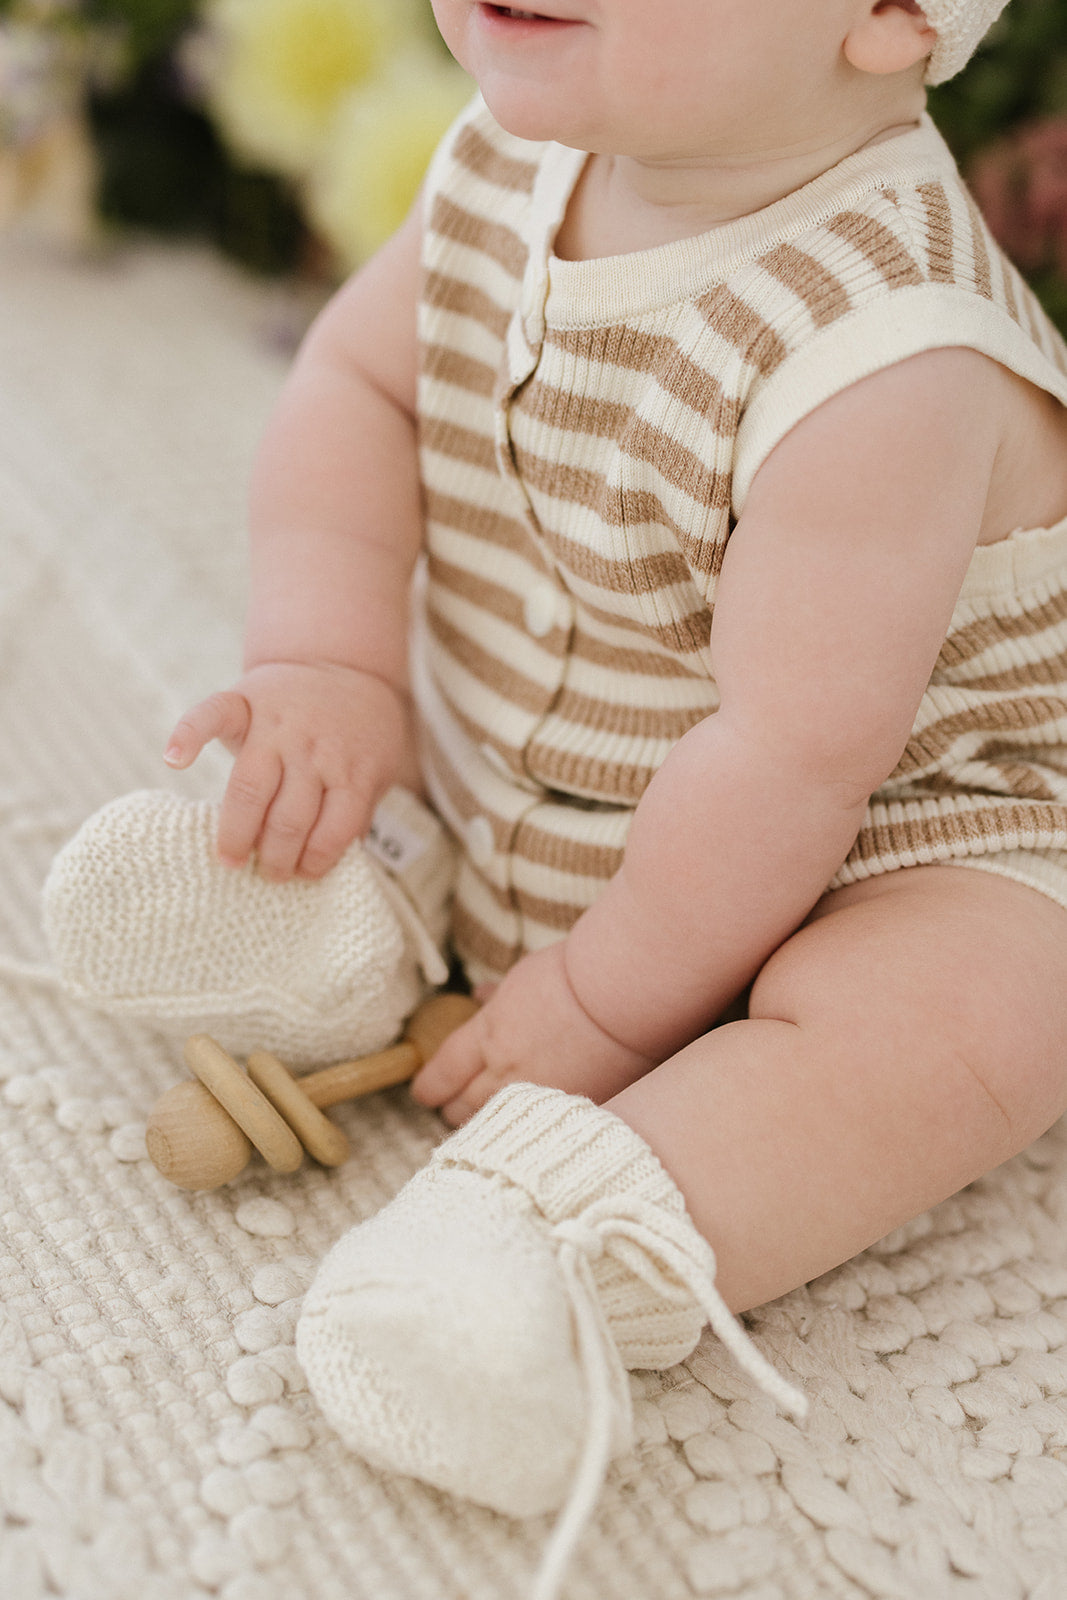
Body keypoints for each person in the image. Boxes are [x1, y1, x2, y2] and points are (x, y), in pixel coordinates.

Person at [47, 1, 1067, 1590]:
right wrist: (332, 673)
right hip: (576, 750)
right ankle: (350, 918)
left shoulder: (887, 355)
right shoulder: (519, 153)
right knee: (430, 754)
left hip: (903, 822)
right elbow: (362, 388)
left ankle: (566, 1240)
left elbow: (796, 756)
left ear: (885, 15)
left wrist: (599, 1001)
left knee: (975, 1017)